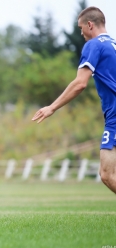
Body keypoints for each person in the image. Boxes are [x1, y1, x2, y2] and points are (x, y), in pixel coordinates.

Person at [32, 7, 116, 194]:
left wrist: (52, 107)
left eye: (81, 28)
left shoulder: (93, 45)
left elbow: (80, 83)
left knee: (107, 174)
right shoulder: (112, 45)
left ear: (90, 24)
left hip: (115, 116)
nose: (81, 33)